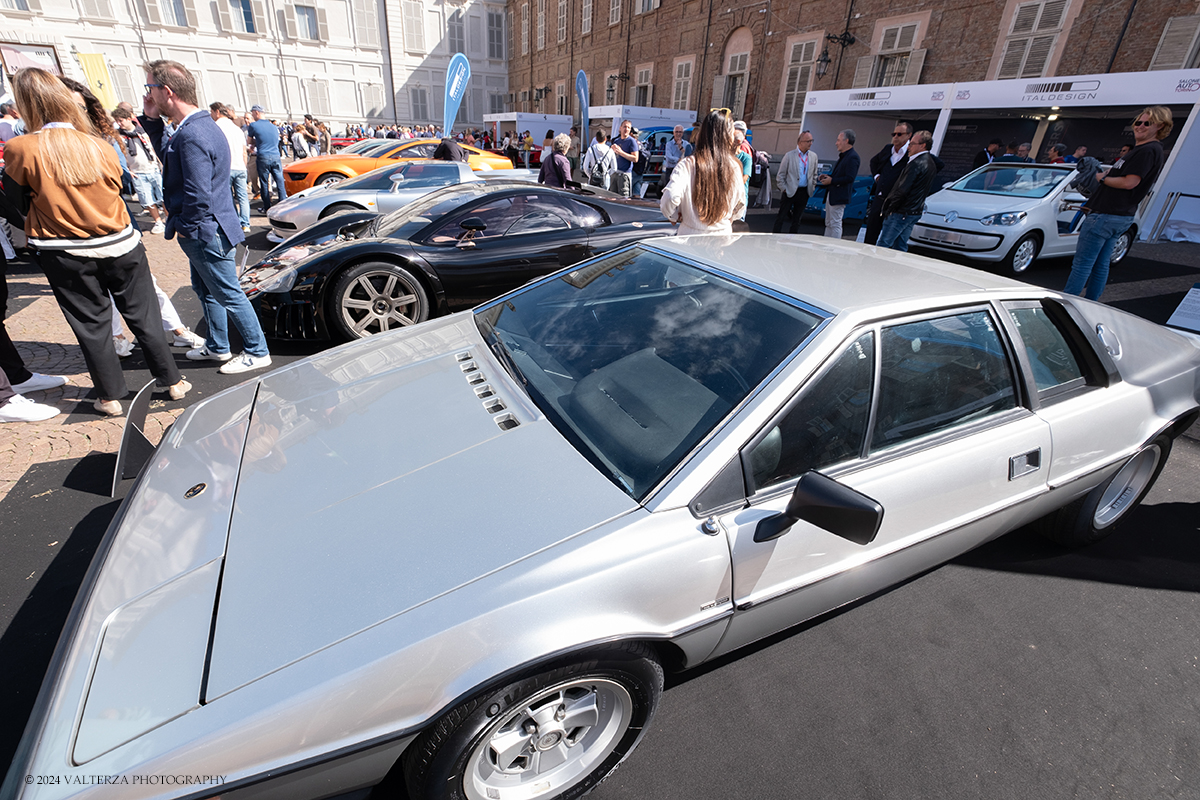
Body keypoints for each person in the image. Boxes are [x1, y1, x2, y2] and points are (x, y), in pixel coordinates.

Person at [3, 67, 189, 416]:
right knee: (144, 314)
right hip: (120, 240)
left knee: (92, 325)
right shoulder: (98, 146)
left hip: (64, 249)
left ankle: (110, 396)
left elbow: (15, 201)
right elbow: (119, 189)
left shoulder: (21, 149)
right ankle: (172, 380)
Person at [141, 59, 271, 375]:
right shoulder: (197, 126)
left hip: (205, 230)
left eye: (150, 88)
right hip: (208, 227)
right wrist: (151, 118)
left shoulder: (194, 132)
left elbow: (198, 193)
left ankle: (257, 350)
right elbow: (171, 158)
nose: (148, 94)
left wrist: (185, 228)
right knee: (207, 289)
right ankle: (218, 345)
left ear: (166, 91)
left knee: (227, 291)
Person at [1064, 106, 1171, 301]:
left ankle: (1066, 302)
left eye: (1147, 123)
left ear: (1160, 126)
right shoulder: (1145, 150)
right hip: (1115, 215)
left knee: (1083, 263)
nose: (1140, 126)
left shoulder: (1147, 150)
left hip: (1107, 215)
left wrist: (1102, 179)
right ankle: (1090, 302)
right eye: (1138, 122)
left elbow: (1130, 182)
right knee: (1100, 263)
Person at [660, 109, 745, 236]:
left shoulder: (687, 165)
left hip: (689, 236)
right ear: (727, 136)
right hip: (722, 237)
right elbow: (740, 204)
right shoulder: (734, 166)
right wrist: (730, 218)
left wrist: (672, 216)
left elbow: (670, 196)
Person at [877, 131, 938, 252]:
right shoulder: (930, 163)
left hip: (901, 211)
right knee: (900, 245)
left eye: (912, 144)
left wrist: (890, 208)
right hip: (913, 211)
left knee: (884, 244)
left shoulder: (916, 163)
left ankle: (875, 269)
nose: (908, 147)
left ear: (923, 145)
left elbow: (903, 190)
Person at [112, 107, 167, 235]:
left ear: (128, 119)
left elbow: (153, 148)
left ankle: (168, 218)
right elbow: (119, 154)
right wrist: (127, 170)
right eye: (117, 121)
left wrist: (161, 165)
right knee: (147, 199)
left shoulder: (143, 131)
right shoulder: (119, 136)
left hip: (152, 168)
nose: (119, 124)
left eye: (121, 120)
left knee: (163, 197)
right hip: (137, 172)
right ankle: (158, 221)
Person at [864, 122, 912, 245]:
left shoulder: (911, 153)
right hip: (880, 198)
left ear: (908, 135)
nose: (895, 137)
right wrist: (877, 176)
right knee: (871, 231)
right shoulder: (888, 149)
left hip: (896, 202)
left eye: (899, 134)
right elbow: (873, 161)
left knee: (889, 237)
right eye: (894, 134)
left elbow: (935, 164)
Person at [210, 103, 251, 233]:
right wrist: (244, 166)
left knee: (228, 197)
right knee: (243, 197)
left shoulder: (215, 128)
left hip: (225, 168)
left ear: (217, 112)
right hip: (240, 166)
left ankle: (235, 222)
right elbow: (244, 151)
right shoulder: (237, 129)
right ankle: (246, 223)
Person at [817, 129, 860, 239]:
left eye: (838, 140)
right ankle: (826, 244)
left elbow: (850, 177)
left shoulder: (852, 157)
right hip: (832, 194)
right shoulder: (844, 156)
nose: (836, 143)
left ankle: (834, 247)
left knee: (835, 223)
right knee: (829, 223)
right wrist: (827, 176)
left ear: (846, 141)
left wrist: (832, 181)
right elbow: (840, 174)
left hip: (839, 195)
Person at [773, 131, 816, 235]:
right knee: (781, 216)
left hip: (804, 191)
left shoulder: (813, 156)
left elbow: (814, 174)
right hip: (790, 190)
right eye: (808, 141)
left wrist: (812, 186)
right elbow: (781, 174)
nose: (810, 143)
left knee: (797, 219)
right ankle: (775, 236)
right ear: (800, 142)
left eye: (811, 141)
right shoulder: (789, 156)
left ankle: (793, 238)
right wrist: (783, 188)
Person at [248, 105, 287, 211]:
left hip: (263, 156)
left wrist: (256, 143)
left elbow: (249, 141)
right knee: (279, 180)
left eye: (252, 113)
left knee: (264, 182)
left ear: (256, 112)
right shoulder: (274, 127)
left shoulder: (253, 125)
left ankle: (267, 207)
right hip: (275, 155)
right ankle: (283, 204)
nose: (252, 115)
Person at [610, 119, 639, 198]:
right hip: (614, 173)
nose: (626, 129)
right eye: (624, 127)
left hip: (624, 174)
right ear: (620, 128)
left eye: (628, 127)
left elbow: (635, 159)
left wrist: (621, 152)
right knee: (612, 197)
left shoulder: (632, 141)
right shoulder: (616, 141)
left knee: (623, 199)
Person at [661, 125, 693, 191]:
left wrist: (680, 147)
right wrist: (679, 160)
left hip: (681, 170)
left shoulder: (686, 144)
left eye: (680, 132)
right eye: (677, 132)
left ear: (682, 133)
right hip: (671, 169)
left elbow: (687, 157)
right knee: (669, 190)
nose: (678, 134)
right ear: (674, 133)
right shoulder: (669, 144)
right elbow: (669, 158)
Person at [731, 121, 752, 218]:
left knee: (737, 228)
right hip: (727, 200)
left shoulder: (746, 158)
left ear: (738, 142)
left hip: (739, 200)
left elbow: (744, 179)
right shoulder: (726, 156)